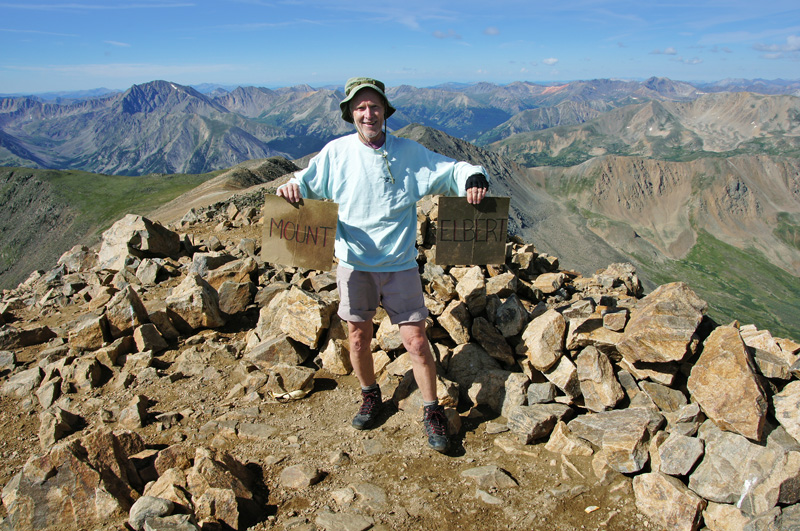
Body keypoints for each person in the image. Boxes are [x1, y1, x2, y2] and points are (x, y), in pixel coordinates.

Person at [277, 76, 489, 453]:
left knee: (417, 341)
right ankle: (370, 394)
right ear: (350, 114)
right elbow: (305, 184)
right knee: (358, 338)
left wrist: (474, 175)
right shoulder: (335, 154)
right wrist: (291, 188)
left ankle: (431, 409)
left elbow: (451, 170)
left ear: (385, 111)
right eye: (360, 107)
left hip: (400, 264)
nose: (367, 114)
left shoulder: (409, 153)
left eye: (374, 106)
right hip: (353, 264)